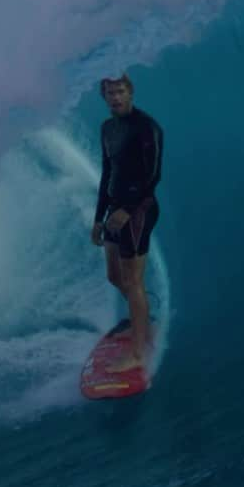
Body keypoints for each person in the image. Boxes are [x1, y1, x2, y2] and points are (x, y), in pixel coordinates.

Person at [90, 74, 163, 372]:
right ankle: (142, 322)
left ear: (130, 92)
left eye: (120, 91)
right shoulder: (107, 128)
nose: (115, 97)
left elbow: (153, 176)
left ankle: (138, 351)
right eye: (110, 92)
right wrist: (99, 218)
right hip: (115, 209)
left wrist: (128, 210)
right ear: (104, 96)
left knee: (133, 281)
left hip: (139, 211)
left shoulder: (147, 127)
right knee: (114, 276)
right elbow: (107, 174)